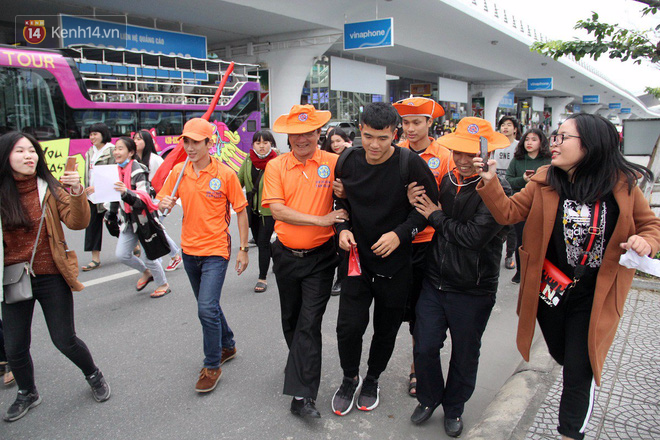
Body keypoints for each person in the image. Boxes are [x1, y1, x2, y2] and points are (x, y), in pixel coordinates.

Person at [474, 113, 660, 440]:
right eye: (555, 137)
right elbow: (507, 212)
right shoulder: (546, 179)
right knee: (561, 353)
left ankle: (570, 433)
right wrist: (490, 181)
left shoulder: (622, 185)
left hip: (595, 296)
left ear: (589, 145)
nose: (554, 143)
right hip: (550, 290)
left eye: (562, 137)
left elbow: (650, 226)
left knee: (578, 369)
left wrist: (646, 242)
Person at [331, 102, 438, 416]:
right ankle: (350, 377)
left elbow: (429, 210)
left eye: (382, 138)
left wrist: (400, 234)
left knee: (386, 327)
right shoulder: (347, 159)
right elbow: (339, 202)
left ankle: (373, 378)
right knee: (348, 327)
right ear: (359, 131)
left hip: (395, 264)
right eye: (367, 136)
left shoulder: (411, 164)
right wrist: (342, 228)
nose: (374, 145)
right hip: (355, 260)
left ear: (396, 133)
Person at [406, 117, 510, 437]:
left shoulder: (497, 189)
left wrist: (434, 215)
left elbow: (472, 236)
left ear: (486, 150)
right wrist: (416, 202)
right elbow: (424, 213)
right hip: (435, 280)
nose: (463, 160)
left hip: (474, 288)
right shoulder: (446, 180)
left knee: (465, 353)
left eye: (470, 153)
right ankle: (429, 397)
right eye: (457, 152)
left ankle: (454, 408)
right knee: (424, 347)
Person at [0, 132, 110, 422]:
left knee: (64, 339)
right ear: (5, 157)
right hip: (12, 278)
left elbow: (78, 221)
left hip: (51, 275)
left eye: (33, 151)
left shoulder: (48, 188)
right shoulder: (1, 192)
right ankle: (28, 392)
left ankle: (93, 374)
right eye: (20, 151)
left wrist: (76, 193)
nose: (29, 156)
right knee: (14, 347)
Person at [262, 104, 347, 418]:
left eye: (308, 132)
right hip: (285, 257)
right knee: (292, 320)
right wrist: (322, 219)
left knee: (309, 324)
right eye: (296, 134)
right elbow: (278, 210)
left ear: (318, 133)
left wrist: (344, 196)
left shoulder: (335, 163)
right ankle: (300, 364)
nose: (302, 139)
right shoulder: (276, 167)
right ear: (288, 136)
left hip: (321, 259)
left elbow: (362, 183)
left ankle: (302, 396)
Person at [158, 118, 249, 394]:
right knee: (207, 305)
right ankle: (228, 344)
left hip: (216, 251)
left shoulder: (225, 174)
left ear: (210, 143)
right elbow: (162, 203)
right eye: (186, 141)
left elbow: (241, 210)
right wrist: (164, 202)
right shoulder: (178, 171)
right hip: (189, 251)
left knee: (206, 308)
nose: (190, 146)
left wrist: (244, 249)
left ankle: (212, 365)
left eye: (196, 141)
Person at [393, 97, 453, 397]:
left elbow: (451, 202)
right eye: (405, 123)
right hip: (399, 241)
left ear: (430, 123)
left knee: (422, 311)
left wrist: (430, 207)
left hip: (429, 242)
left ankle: (418, 367)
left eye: (417, 122)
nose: (410, 128)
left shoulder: (445, 156)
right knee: (400, 308)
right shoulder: (396, 153)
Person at [110, 137, 170, 298]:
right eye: (115, 148)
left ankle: (163, 284)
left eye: (120, 149)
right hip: (127, 221)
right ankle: (146, 272)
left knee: (149, 255)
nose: (116, 152)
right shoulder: (113, 171)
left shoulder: (139, 170)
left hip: (143, 221)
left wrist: (125, 192)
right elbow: (112, 197)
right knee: (122, 254)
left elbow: (142, 199)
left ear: (130, 152)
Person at [505, 129, 552, 284]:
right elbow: (509, 180)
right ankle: (520, 271)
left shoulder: (548, 160)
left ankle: (541, 271)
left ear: (541, 142)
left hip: (542, 204)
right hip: (521, 204)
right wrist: (523, 179)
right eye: (527, 140)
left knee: (542, 240)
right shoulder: (517, 160)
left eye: (534, 139)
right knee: (521, 240)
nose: (529, 143)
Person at [133, 130, 182, 272]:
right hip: (141, 202)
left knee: (156, 230)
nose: (135, 142)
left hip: (155, 201)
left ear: (147, 141)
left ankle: (172, 255)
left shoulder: (155, 159)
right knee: (155, 230)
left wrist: (161, 199)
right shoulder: (135, 160)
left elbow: (166, 180)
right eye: (134, 139)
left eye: (139, 139)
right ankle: (165, 257)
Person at [237, 130, 278, 293]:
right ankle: (277, 255)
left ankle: (262, 278)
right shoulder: (248, 160)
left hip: (269, 211)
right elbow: (237, 182)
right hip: (252, 210)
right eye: (258, 143)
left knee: (262, 242)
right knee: (264, 242)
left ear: (271, 144)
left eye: (265, 142)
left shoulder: (277, 162)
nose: (262, 146)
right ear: (253, 144)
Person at [320, 127, 352, 295]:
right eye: (332, 142)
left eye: (338, 140)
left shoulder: (352, 157)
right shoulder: (324, 159)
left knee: (342, 245)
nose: (335, 144)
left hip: (344, 207)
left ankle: (340, 278)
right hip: (326, 207)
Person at [82, 122, 115, 271]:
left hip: (106, 195)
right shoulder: (90, 152)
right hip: (91, 196)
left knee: (113, 224)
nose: (92, 137)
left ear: (103, 134)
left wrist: (99, 187)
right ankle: (95, 259)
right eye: (90, 134)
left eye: (95, 133)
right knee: (92, 226)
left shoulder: (111, 151)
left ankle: (133, 243)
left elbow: (113, 175)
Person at [495, 116, 522, 271]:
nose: (505, 128)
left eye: (509, 125)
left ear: (515, 129)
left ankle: (509, 255)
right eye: (502, 125)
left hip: (512, 189)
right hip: (496, 188)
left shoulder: (519, 147)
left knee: (511, 224)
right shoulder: (495, 146)